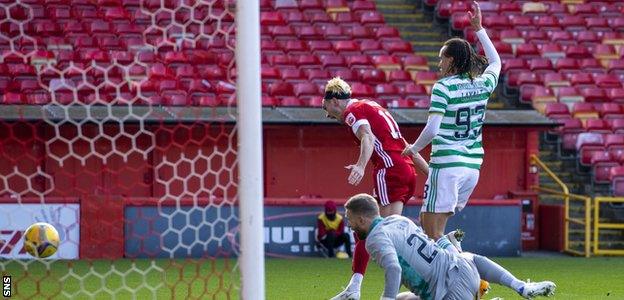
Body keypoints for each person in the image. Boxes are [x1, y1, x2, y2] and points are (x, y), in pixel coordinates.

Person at [322, 77, 429, 300]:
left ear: (334, 101)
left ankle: (362, 288)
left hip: (388, 169)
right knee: (387, 231)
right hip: (406, 171)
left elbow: (367, 137)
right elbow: (403, 144)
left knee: (370, 228)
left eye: (327, 108)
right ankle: (419, 283)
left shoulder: (353, 112)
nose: (328, 115)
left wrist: (361, 166)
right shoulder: (372, 105)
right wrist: (430, 173)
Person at [403, 1, 501, 243]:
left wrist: (413, 149)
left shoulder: (443, 87)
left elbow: (433, 129)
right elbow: (496, 63)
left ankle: (469, 277)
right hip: (472, 167)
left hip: (447, 164)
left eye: (442, 58)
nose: (439, 63)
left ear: (452, 60)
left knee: (433, 234)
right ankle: (455, 261)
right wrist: (479, 29)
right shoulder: (482, 83)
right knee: (427, 224)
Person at [344, 193, 556, 300]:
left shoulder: (373, 238)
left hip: (448, 292)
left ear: (362, 219)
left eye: (350, 219)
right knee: (468, 258)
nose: (348, 223)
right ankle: (521, 286)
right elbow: (408, 264)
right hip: (465, 268)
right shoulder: (400, 220)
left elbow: (394, 268)